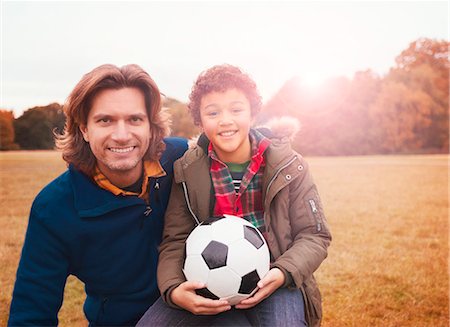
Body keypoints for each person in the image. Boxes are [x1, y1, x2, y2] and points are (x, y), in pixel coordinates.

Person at [137, 64, 331, 327]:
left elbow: (314, 235)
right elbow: (175, 239)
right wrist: (173, 289)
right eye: (213, 112)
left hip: (275, 282)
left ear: (252, 114)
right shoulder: (187, 169)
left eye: (236, 110)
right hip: (207, 282)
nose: (225, 120)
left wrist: (283, 272)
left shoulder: (289, 165)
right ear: (200, 120)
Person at [8, 64, 188, 326]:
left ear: (150, 125)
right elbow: (32, 313)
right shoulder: (54, 208)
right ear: (84, 129)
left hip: (197, 310)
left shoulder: (181, 159)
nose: (122, 135)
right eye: (105, 120)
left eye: (134, 119)